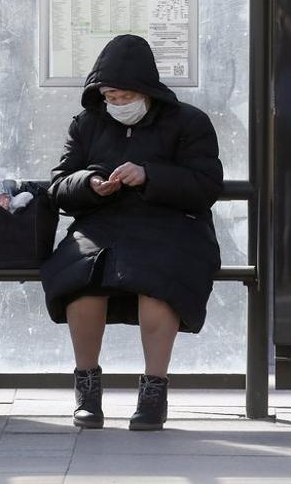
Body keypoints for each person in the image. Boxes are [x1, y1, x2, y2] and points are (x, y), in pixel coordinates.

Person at [39, 34, 223, 431]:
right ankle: (87, 393)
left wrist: (149, 175)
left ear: (145, 91)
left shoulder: (189, 122)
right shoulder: (87, 123)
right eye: (110, 97)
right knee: (80, 283)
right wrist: (88, 183)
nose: (117, 104)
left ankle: (153, 393)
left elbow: (206, 185)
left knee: (158, 283)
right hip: (101, 226)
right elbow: (58, 185)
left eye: (124, 96)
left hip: (172, 226)